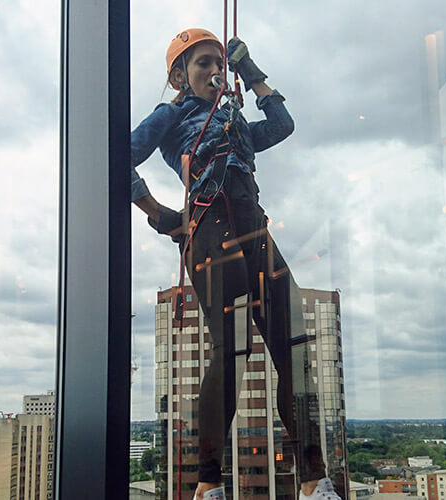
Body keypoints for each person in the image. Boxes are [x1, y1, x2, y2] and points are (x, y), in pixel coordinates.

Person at [131, 28, 342, 500]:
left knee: (295, 348)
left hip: (252, 225)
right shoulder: (173, 113)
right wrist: (161, 215)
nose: (213, 71)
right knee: (231, 350)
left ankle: (312, 479)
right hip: (210, 225)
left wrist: (251, 71)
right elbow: (121, 156)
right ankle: (209, 482)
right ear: (179, 75)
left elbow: (283, 125)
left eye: (217, 63)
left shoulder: (234, 120)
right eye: (202, 63)